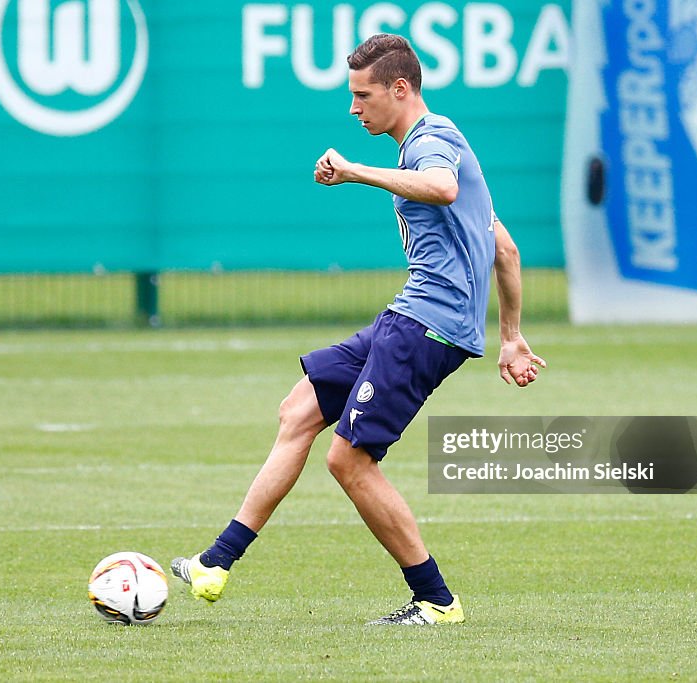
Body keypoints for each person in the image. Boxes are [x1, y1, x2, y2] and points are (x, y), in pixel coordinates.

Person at [171, 33, 545, 626]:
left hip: (426, 327)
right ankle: (216, 562)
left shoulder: (435, 141)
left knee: (348, 460)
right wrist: (511, 335)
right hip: (410, 317)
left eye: (362, 95)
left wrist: (354, 171)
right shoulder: (433, 150)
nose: (353, 108)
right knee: (298, 410)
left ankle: (436, 602)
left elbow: (442, 188)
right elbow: (505, 247)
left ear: (400, 89)